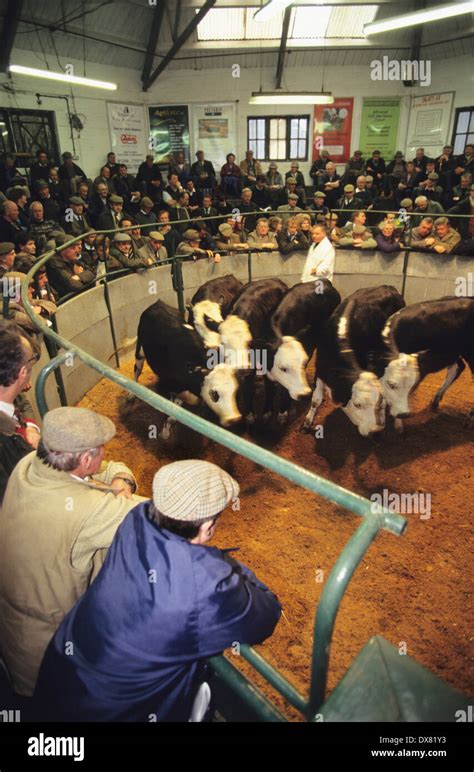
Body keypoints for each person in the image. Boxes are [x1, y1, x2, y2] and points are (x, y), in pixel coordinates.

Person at [32, 460, 281, 722]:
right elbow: (267, 613)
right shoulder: (205, 586)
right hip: (115, 712)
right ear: (207, 527)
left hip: (63, 674)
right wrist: (222, 564)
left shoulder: (136, 518)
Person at [0, 406, 145, 697]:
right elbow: (157, 516)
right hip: (51, 657)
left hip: (13, 635)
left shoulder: (28, 465)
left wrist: (121, 478)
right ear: (87, 458)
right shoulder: (90, 510)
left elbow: (108, 469)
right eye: (101, 450)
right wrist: (124, 485)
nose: (105, 454)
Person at [0, 320, 41, 502]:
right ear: (23, 372)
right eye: (31, 360)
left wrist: (31, 427)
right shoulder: (7, 443)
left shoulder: (9, 400)